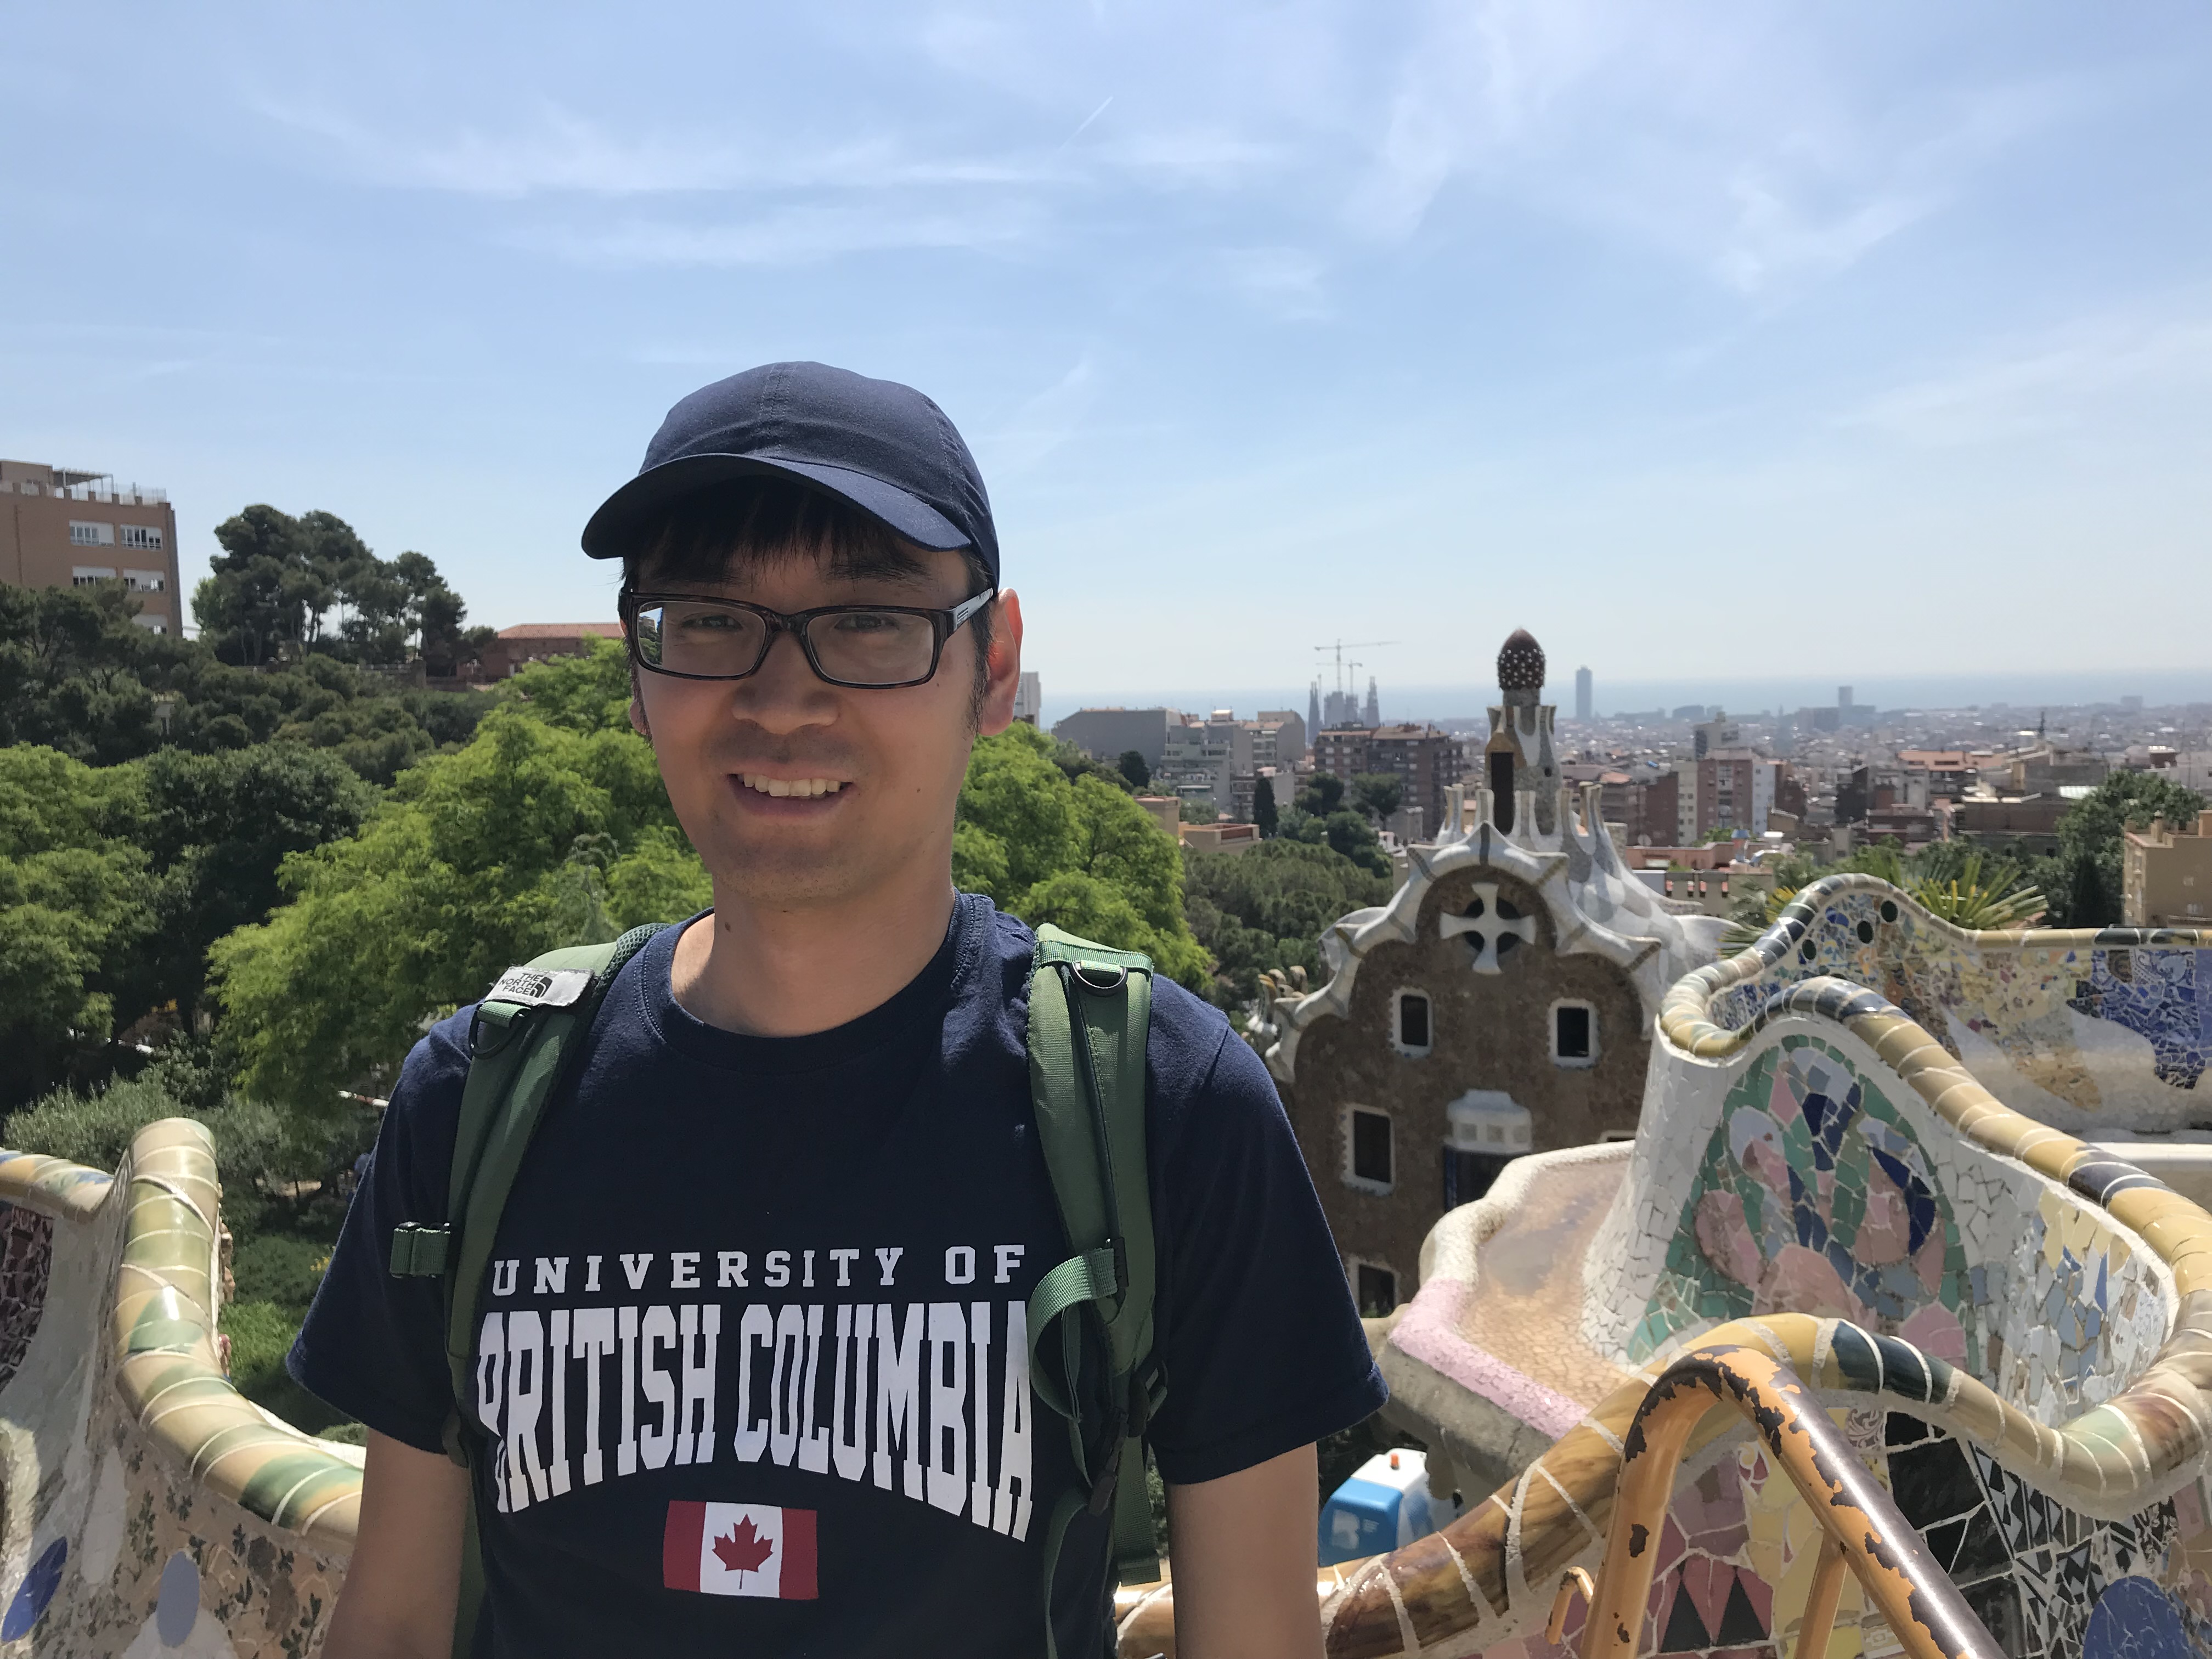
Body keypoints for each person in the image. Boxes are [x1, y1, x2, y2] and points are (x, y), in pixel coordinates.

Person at [293, 361, 1385, 1658]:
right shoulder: (476, 1098)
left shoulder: (1165, 1106)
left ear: (996, 668)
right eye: (708, 619)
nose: (781, 700)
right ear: (639, 666)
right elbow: (396, 1624)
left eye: (869, 620)